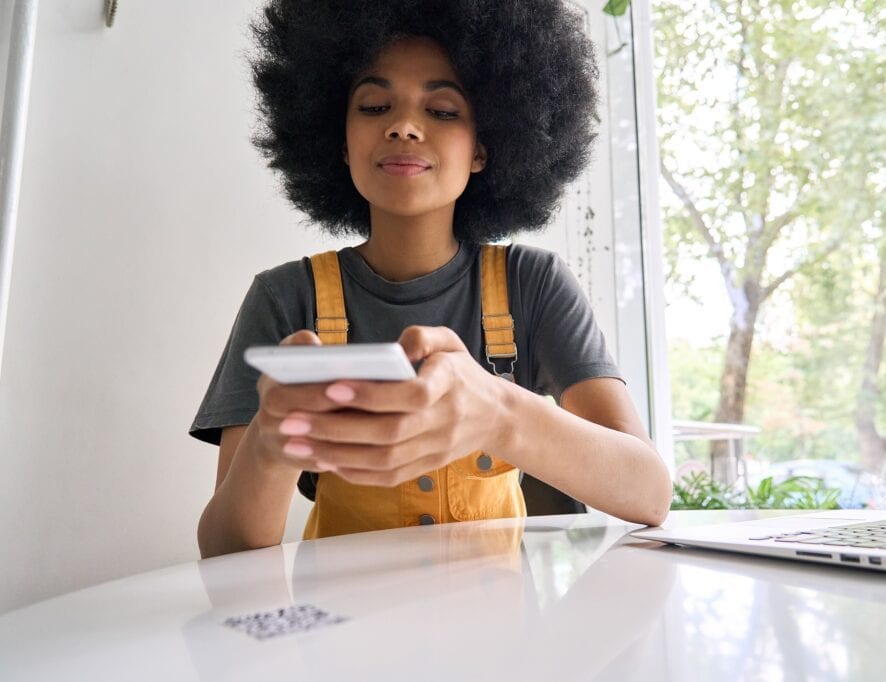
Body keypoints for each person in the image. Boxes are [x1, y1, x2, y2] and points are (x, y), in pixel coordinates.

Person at [192, 0, 672, 559]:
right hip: (343, 639)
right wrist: (270, 447)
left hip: (498, 642)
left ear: (483, 150)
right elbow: (224, 552)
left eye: (442, 111)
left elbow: (649, 494)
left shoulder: (533, 284)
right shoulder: (285, 298)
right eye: (374, 105)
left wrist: (500, 412)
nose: (402, 126)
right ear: (340, 142)